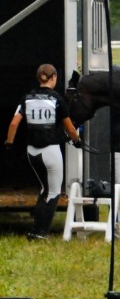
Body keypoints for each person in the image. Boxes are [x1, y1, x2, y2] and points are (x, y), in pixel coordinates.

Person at [5, 64, 83, 240]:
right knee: (54, 192)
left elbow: (13, 124)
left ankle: (35, 228)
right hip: (51, 150)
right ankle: (41, 232)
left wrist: (9, 144)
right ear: (54, 77)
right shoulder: (57, 99)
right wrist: (77, 141)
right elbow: (69, 127)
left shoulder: (27, 98)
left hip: (31, 151)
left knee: (44, 188)